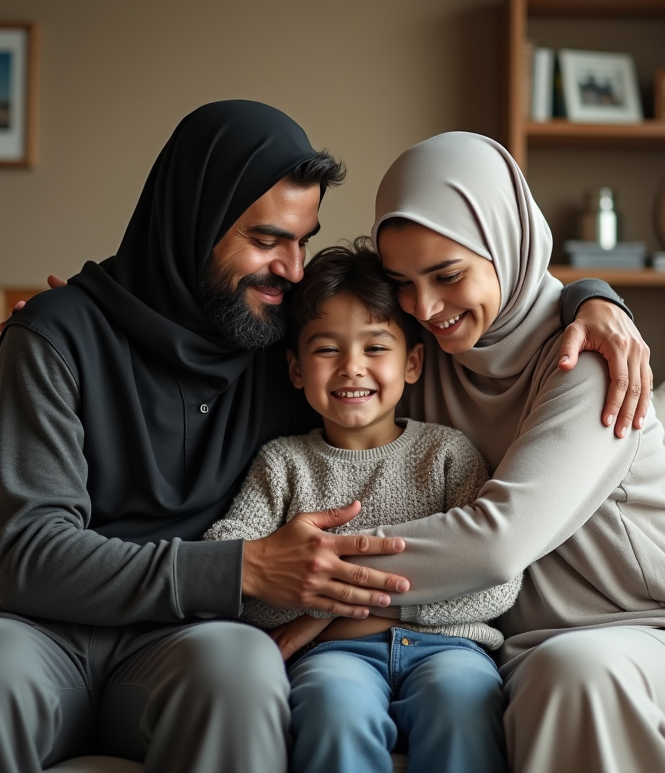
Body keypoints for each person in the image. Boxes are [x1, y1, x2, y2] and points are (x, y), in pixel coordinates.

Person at [0, 101, 650, 773]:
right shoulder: (57, 338)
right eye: (266, 240)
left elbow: (421, 322)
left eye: (301, 241)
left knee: (243, 672)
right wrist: (246, 569)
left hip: (182, 639)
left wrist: (594, 296)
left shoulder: (280, 347)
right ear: (192, 224)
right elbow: (30, 557)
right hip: (30, 629)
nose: (289, 269)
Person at [364, 132, 665, 773]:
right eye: (402, 285)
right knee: (544, 673)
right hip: (524, 653)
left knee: (571, 672)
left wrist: (316, 570)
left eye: (447, 275)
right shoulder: (419, 359)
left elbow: (496, 545)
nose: (426, 308)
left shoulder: (590, 361)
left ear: (506, 242)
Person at [204, 239, 516, 773]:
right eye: (327, 350)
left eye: (375, 348)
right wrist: (322, 626)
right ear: (297, 369)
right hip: (332, 660)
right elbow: (232, 569)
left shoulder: (447, 454)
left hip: (452, 652)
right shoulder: (283, 464)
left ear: (413, 362)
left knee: (463, 704)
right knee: (332, 708)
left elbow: (497, 580)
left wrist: (322, 611)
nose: (352, 367)